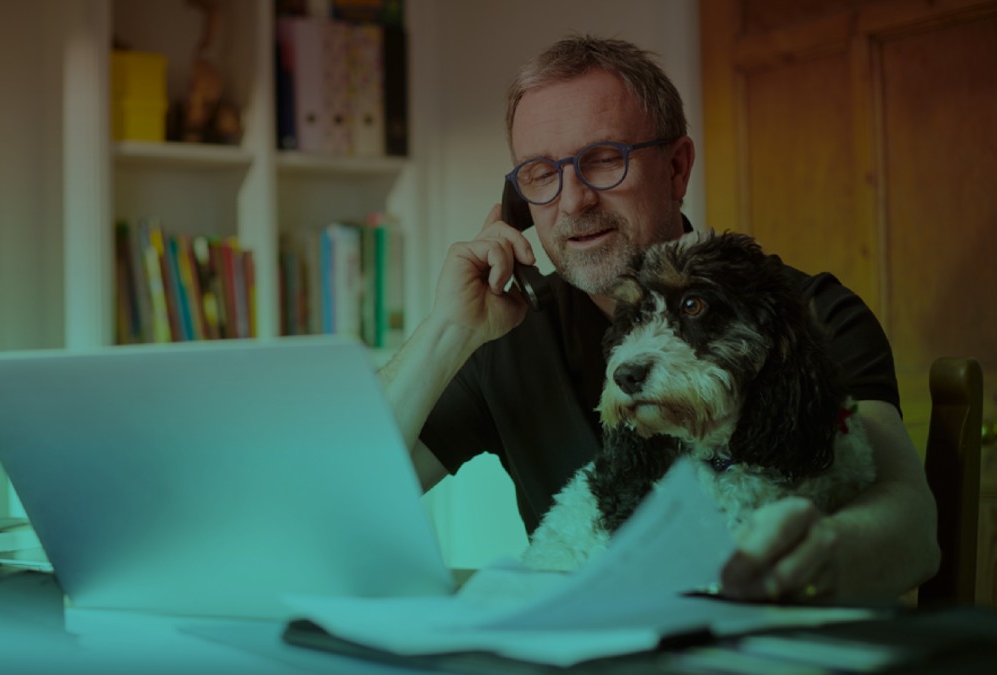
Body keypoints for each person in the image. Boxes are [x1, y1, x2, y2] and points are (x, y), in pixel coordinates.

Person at [378, 35, 939, 602]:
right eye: (541, 173)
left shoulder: (805, 314)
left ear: (676, 168)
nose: (572, 203)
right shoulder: (507, 331)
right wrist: (447, 330)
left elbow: (912, 526)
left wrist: (806, 560)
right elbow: (338, 494)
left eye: (603, 160)